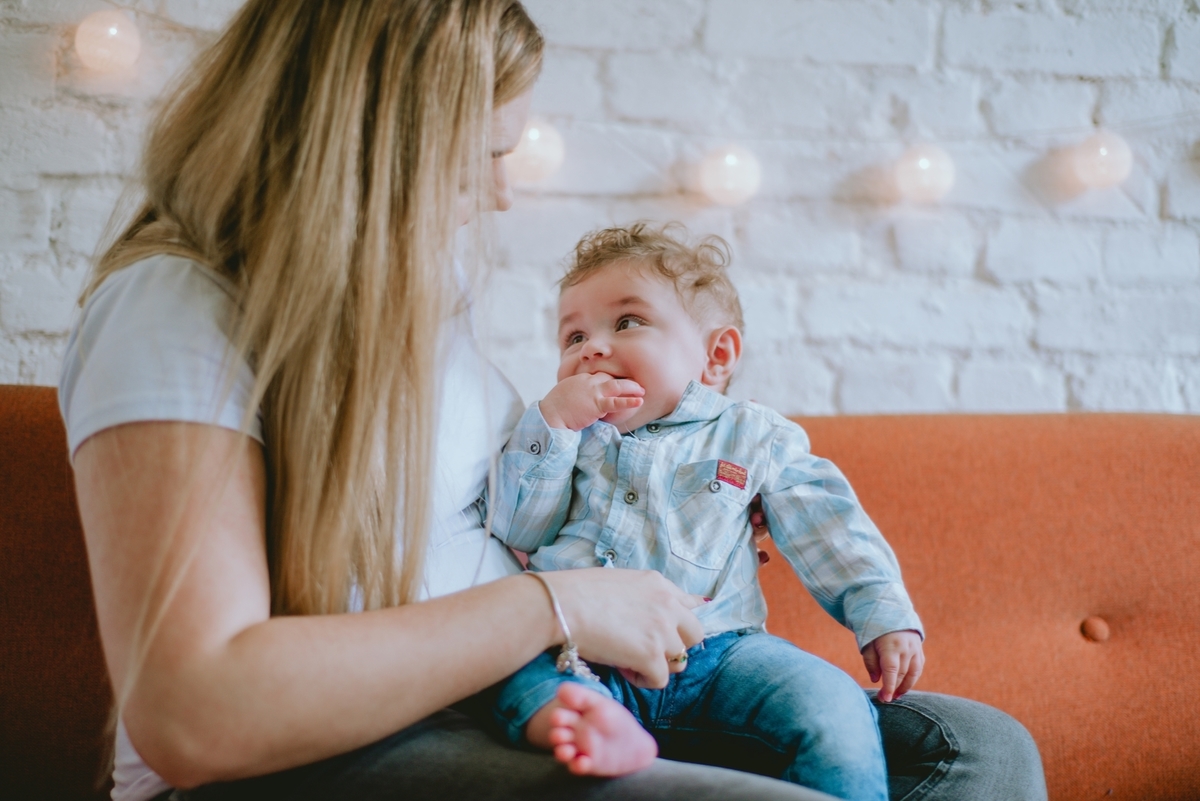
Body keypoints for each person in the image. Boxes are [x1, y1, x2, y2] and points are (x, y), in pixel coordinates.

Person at [56, 2, 1047, 800]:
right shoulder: (174, 310)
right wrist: (561, 602)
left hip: (536, 682)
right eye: (488, 155)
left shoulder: (404, 310)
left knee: (977, 754)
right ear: (383, 144)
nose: (499, 196)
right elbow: (195, 713)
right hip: (342, 747)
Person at [484, 223, 917, 800]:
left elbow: (829, 526)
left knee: (830, 702)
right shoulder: (564, 437)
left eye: (627, 322)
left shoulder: (753, 434)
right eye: (573, 337)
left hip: (720, 652)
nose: (592, 347)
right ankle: (598, 726)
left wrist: (882, 613)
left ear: (716, 355)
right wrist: (555, 426)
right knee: (509, 674)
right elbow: (517, 528)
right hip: (584, 648)